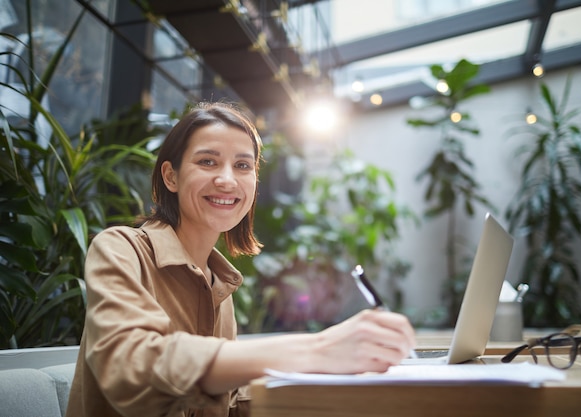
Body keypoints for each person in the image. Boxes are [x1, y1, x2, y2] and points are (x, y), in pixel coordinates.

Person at [65, 102, 417, 417]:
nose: (227, 180)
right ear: (170, 176)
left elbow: (229, 400)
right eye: (207, 161)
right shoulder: (120, 249)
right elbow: (132, 369)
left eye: (243, 165)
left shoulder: (220, 285)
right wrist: (318, 348)